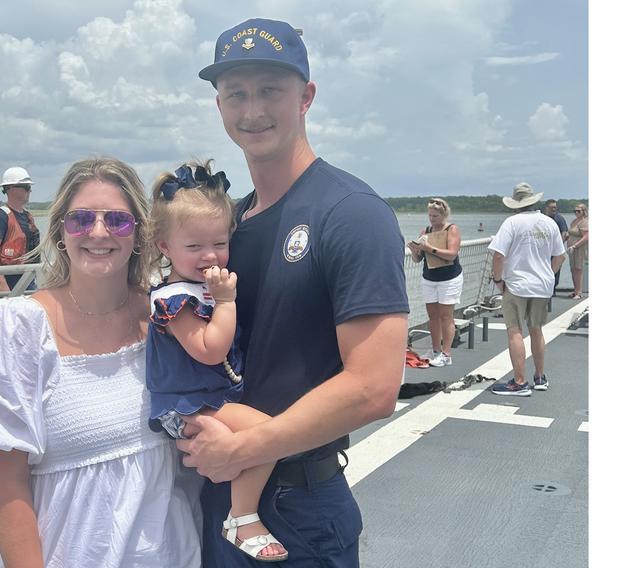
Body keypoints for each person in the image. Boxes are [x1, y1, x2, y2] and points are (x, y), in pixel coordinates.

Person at [180, 18, 410, 567]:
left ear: (306, 97)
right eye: (236, 93)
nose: (252, 109)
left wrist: (242, 447)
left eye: (270, 90)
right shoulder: (230, 227)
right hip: (220, 489)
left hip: (297, 499)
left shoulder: (351, 213)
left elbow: (374, 387)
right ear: (219, 106)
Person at [0, 157, 201, 568]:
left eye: (117, 221)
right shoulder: (14, 329)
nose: (98, 232)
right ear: (61, 231)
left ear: (139, 232)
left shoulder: (169, 317)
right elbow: (8, 489)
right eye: (81, 219)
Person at [146, 160, 287, 562]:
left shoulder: (201, 287)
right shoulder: (173, 299)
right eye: (194, 247)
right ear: (164, 248)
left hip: (209, 396)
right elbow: (210, 350)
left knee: (261, 437)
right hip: (188, 402)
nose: (209, 255)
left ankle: (240, 513)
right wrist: (225, 301)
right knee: (269, 434)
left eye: (219, 244)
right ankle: (241, 516)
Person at [489, 182, 566, 396]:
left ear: (516, 204)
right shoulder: (549, 223)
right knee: (537, 330)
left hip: (516, 284)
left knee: (515, 331)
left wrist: (498, 279)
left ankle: (519, 382)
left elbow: (498, 255)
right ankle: (540, 377)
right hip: (542, 286)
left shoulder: (512, 222)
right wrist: (549, 273)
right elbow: (560, 255)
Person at [407, 198, 463, 367]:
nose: (432, 219)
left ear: (444, 214)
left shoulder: (452, 229)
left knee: (446, 316)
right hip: (429, 277)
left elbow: (451, 254)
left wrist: (429, 248)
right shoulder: (426, 230)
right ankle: (435, 349)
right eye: (430, 215)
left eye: (436, 216)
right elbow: (418, 259)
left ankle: (447, 353)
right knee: (433, 316)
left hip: (449, 277)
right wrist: (415, 250)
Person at [0, 166, 40, 294]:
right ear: (11, 189)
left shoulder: (27, 216)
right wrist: (2, 284)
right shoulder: (0, 216)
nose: (30, 190)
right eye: (26, 187)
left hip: (27, 281)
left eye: (29, 187)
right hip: (7, 285)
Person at [543, 199, 569, 295]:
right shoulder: (542, 218)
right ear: (546, 208)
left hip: (555, 250)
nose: (554, 209)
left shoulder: (559, 218)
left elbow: (565, 233)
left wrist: (558, 246)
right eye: (552, 207)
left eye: (555, 207)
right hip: (544, 249)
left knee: (555, 270)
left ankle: (552, 289)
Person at [566, 202, 589, 299]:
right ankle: (575, 290)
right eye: (575, 211)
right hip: (571, 249)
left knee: (578, 269)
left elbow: (586, 236)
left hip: (579, 248)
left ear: (584, 212)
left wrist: (575, 245)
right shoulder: (574, 221)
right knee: (573, 269)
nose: (576, 213)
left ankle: (579, 292)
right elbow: (570, 232)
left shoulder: (584, 222)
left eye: (578, 211)